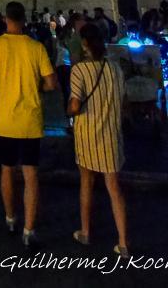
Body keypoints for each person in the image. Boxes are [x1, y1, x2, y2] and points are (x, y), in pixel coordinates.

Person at [0, 1, 57, 246]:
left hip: (5, 119)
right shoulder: (36, 48)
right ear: (24, 19)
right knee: (30, 173)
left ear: (5, 19)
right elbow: (51, 83)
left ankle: (10, 218)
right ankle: (29, 229)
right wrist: (37, 87)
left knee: (6, 169)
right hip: (30, 119)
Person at [68, 22, 129, 256]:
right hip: (111, 135)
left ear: (84, 44)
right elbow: (124, 102)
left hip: (87, 134)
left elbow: (75, 105)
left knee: (86, 182)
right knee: (114, 188)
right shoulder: (115, 69)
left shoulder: (79, 70)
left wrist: (68, 110)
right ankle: (123, 241)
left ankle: (85, 231)